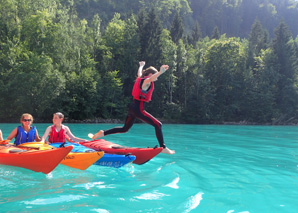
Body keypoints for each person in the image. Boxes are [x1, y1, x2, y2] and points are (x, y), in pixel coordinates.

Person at [92, 61, 175, 154]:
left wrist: (141, 66)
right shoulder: (146, 81)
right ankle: (163, 147)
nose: (157, 78)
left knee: (124, 129)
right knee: (158, 124)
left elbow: (139, 73)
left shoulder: (141, 78)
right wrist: (160, 72)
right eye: (155, 75)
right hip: (138, 109)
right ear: (151, 74)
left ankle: (103, 133)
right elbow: (150, 78)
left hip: (132, 108)